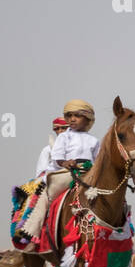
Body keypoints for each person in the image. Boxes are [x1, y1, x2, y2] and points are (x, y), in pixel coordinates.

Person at [20, 101, 99, 241]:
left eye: (77, 116)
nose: (72, 119)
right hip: (64, 173)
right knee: (46, 194)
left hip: (87, 174)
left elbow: (97, 160)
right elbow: (57, 157)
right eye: (69, 116)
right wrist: (66, 163)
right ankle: (31, 229)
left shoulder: (94, 140)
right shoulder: (63, 137)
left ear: (87, 119)